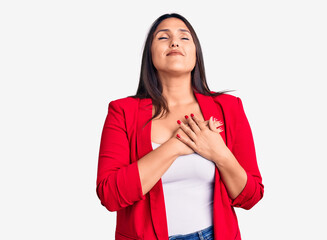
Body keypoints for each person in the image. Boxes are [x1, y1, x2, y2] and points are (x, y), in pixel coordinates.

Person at [96, 13, 264, 240]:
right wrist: (175, 145)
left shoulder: (229, 107)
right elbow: (110, 195)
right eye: (163, 37)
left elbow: (250, 196)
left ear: (196, 53)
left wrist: (219, 152)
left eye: (184, 38)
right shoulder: (122, 112)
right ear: (150, 54)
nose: (174, 42)